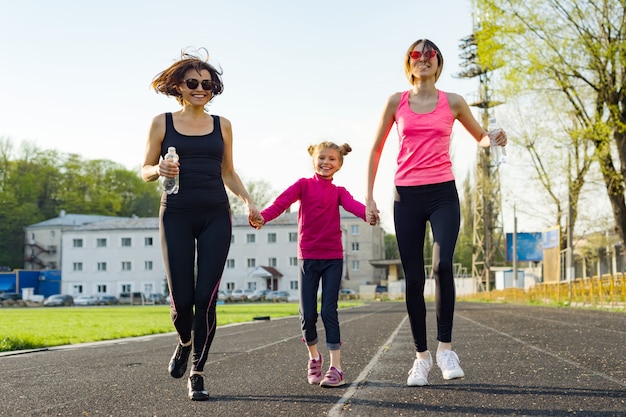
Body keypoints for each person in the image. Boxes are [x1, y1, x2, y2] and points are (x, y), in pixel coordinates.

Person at [365, 39, 507, 386]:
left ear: (438, 63)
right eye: (417, 55)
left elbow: (480, 138)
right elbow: (376, 149)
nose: (424, 59)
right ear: (409, 63)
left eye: (430, 55)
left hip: (443, 192)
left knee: (442, 265)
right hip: (406, 195)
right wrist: (368, 197)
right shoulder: (395, 102)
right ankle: (421, 358)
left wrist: (494, 137)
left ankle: (445, 349)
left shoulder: (454, 101)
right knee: (413, 279)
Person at [141, 49, 260, 401]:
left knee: (206, 298)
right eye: (193, 83)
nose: (200, 89)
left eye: (207, 84)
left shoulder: (223, 125)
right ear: (178, 86)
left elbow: (228, 171)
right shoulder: (162, 122)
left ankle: (198, 370)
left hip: (215, 215)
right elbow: (144, 168)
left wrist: (248, 201)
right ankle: (184, 340)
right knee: (182, 302)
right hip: (176, 212)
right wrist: (157, 170)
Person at [252, 141, 376, 388]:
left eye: (332, 159)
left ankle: (336, 367)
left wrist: (368, 213)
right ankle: (314, 358)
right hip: (307, 257)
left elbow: (354, 206)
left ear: (339, 164)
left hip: (332, 258)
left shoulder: (339, 191)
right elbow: (281, 202)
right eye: (322, 158)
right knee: (307, 314)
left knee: (329, 311)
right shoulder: (303, 185)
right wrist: (262, 217)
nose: (326, 163)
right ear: (313, 160)